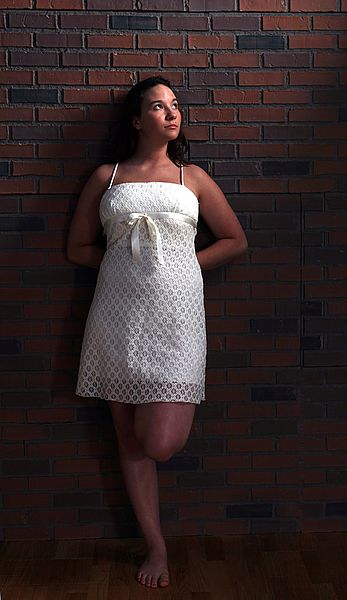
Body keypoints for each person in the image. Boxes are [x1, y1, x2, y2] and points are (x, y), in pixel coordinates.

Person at [67, 75, 248, 589]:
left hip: (178, 321)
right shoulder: (108, 176)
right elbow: (77, 249)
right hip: (117, 317)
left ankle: (157, 541)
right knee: (128, 440)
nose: (171, 114)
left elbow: (235, 239)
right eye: (158, 106)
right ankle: (156, 546)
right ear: (135, 119)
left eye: (175, 106)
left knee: (160, 442)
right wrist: (126, 267)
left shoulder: (193, 178)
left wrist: (185, 266)